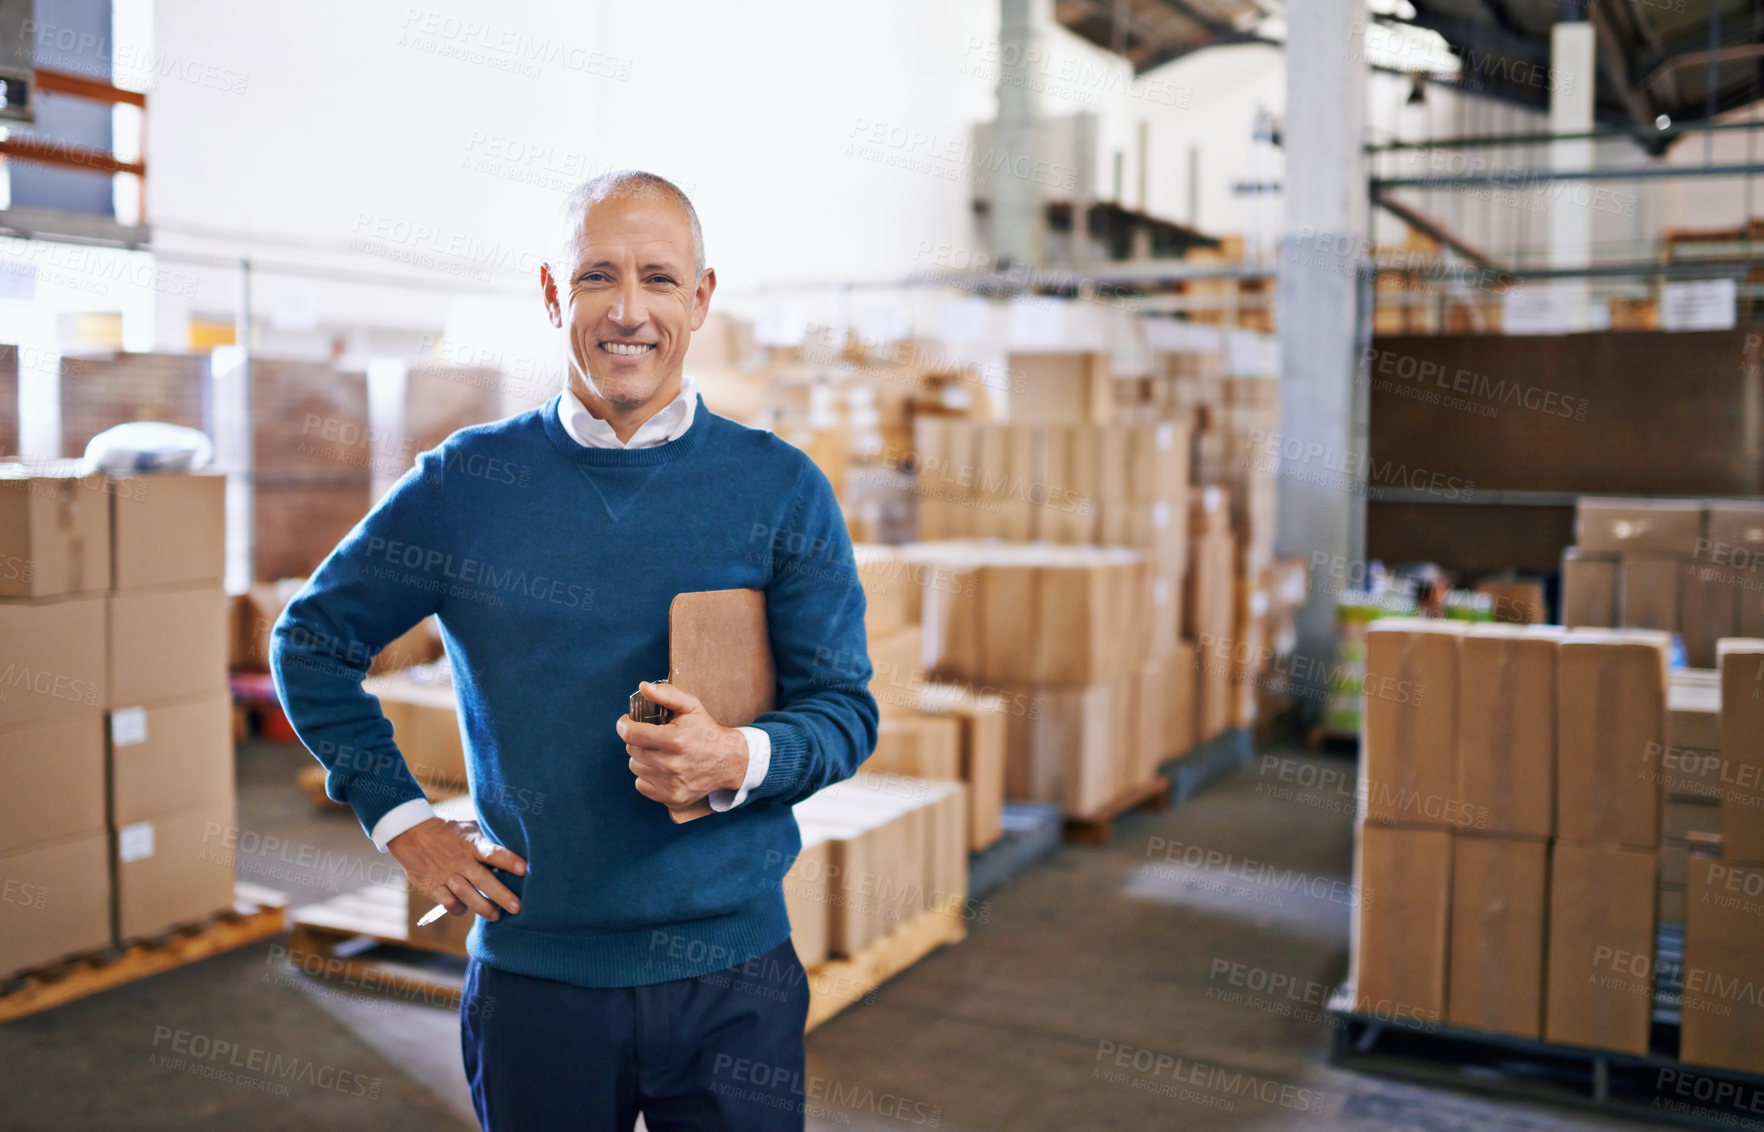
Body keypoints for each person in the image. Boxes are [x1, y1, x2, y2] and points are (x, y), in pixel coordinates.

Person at [271, 170, 878, 1130]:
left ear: (702, 298)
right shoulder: (468, 484)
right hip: (538, 980)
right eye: (597, 276)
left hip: (732, 982)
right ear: (553, 296)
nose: (627, 310)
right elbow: (310, 640)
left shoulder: (778, 489)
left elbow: (845, 710)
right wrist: (401, 821)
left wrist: (739, 756)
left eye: (658, 279)